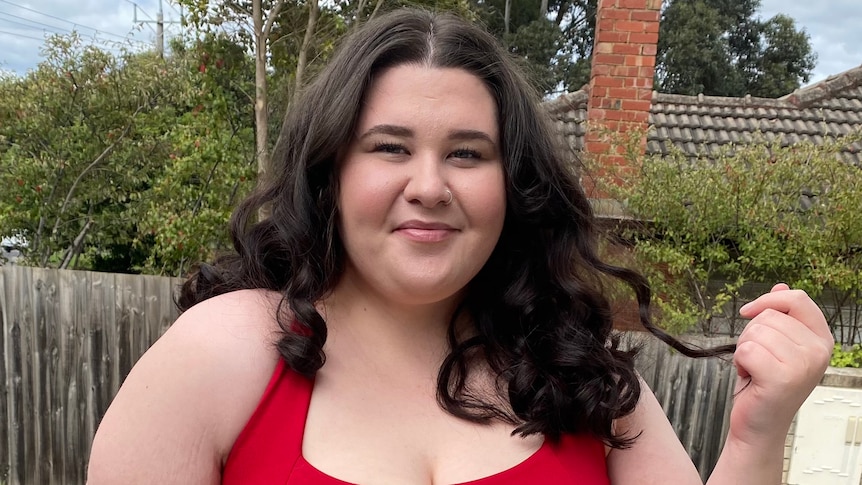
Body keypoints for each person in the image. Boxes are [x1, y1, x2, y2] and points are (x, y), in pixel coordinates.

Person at [87, 8, 833, 484]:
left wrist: (758, 434)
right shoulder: (223, 353)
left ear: (513, 186)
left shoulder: (582, 378)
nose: (429, 184)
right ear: (332, 173)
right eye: (389, 147)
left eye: (468, 154)